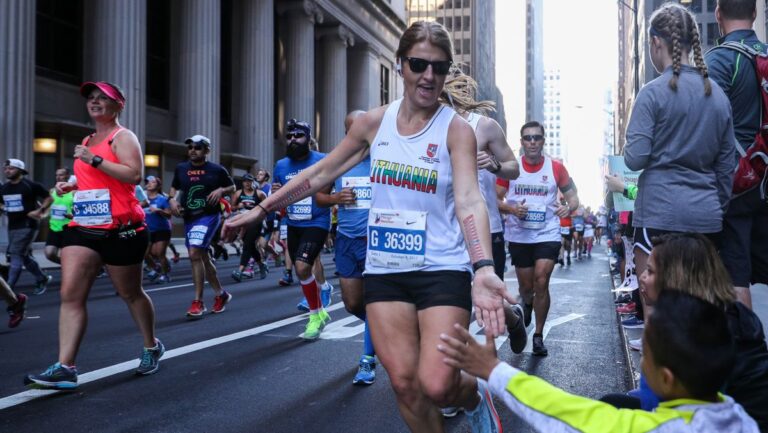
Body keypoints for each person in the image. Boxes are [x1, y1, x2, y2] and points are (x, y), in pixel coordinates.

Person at [223, 21, 511, 433]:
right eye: (418, 64)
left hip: (441, 268)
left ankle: (472, 395)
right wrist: (262, 209)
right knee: (405, 385)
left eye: (439, 67)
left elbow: (469, 199)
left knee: (439, 383)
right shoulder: (373, 124)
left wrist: (483, 267)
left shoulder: (456, 130)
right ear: (400, 66)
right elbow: (320, 173)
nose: (429, 76)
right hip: (386, 269)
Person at [438, 290, 759, 433]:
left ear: (667, 379)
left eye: (645, 355)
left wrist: (493, 371)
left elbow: (563, 412)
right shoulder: (741, 417)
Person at [24, 81, 164, 389]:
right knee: (70, 294)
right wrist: (71, 186)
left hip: (122, 229)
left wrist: (95, 159)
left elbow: (133, 175)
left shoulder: (122, 137)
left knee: (130, 293)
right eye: (92, 98)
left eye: (104, 98)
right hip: (84, 227)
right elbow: (93, 180)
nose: (95, 102)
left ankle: (151, 345)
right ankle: (65, 366)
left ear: (118, 105)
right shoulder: (88, 138)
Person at [624, 2, 736, 327]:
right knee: (701, 312)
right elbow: (725, 171)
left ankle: (657, 378)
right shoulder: (718, 98)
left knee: (655, 311)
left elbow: (635, 158)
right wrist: (715, 207)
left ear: (656, 42)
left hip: (659, 215)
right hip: (706, 219)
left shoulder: (651, 94)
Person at [619, 233, 768, 430]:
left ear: (675, 277)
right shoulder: (720, 314)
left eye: (650, 271)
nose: (642, 277)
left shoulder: (696, 330)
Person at [497, 121, 580, 356]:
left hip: (547, 233)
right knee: (526, 287)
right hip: (520, 234)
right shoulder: (511, 168)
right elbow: (494, 200)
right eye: (528, 138)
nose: (532, 142)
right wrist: (512, 210)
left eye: (537, 138)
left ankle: (538, 335)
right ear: (521, 142)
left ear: (543, 141)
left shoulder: (556, 168)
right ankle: (528, 304)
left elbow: (573, 198)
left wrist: (568, 208)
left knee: (541, 281)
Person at [705, 0, 768, 310]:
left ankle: (746, 354)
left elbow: (708, 126)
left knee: (735, 276)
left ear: (718, 14)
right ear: (754, 14)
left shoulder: (719, 61)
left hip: (738, 184)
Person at [315, 110, 377, 384]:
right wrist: (335, 198)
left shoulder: (383, 157)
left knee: (374, 304)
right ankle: (388, 332)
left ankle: (367, 360)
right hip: (346, 240)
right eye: (353, 129)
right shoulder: (337, 161)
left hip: (377, 242)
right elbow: (318, 196)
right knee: (353, 304)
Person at [268, 118, 333, 334]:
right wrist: (275, 195)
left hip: (317, 221)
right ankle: (319, 309)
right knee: (301, 271)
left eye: (298, 135)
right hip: (293, 222)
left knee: (304, 265)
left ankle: (314, 318)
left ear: (308, 138)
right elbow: (278, 198)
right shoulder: (281, 165)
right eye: (289, 136)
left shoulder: (322, 160)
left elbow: (333, 186)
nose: (293, 140)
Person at [169, 134, 235, 319]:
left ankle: (198, 302)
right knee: (203, 257)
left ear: (207, 150)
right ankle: (221, 295)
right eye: (190, 147)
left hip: (208, 216)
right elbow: (174, 188)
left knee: (194, 254)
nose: (192, 150)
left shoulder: (217, 170)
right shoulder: (181, 168)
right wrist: (172, 200)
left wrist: (221, 189)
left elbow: (232, 187)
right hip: (189, 217)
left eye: (197, 147)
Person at [0, 159, 53, 295]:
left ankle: (8, 289)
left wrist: (40, 210)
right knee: (24, 256)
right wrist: (5, 208)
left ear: (20, 170)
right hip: (13, 226)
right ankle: (42, 278)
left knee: (15, 255)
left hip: (28, 225)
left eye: (11, 168)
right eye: (6, 169)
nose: (7, 171)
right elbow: (1, 204)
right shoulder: (4, 188)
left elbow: (49, 198)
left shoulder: (30, 185)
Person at [231, 173, 268, 281]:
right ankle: (262, 265)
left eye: (249, 181)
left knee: (247, 245)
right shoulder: (238, 194)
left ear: (253, 182)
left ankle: (240, 271)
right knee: (250, 246)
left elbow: (268, 208)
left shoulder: (260, 194)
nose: (247, 183)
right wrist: (238, 206)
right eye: (245, 181)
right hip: (243, 223)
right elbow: (232, 208)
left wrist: (260, 216)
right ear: (242, 183)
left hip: (256, 222)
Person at [143, 176, 173, 284]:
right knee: (145, 254)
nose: (149, 183)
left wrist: (159, 210)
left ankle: (165, 275)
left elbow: (169, 215)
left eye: (153, 182)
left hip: (162, 229)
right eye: (147, 182)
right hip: (147, 229)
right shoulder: (142, 199)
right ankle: (156, 268)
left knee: (160, 253)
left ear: (158, 185)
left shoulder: (162, 199)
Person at [44, 167, 75, 265]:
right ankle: (71, 266)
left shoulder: (74, 192)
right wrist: (43, 214)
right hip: (54, 227)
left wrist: (73, 215)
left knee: (65, 254)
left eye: (61, 175)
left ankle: (72, 270)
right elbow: (50, 207)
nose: (58, 177)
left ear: (67, 176)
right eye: (56, 175)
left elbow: (80, 209)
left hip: (69, 228)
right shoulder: (52, 191)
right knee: (49, 253)